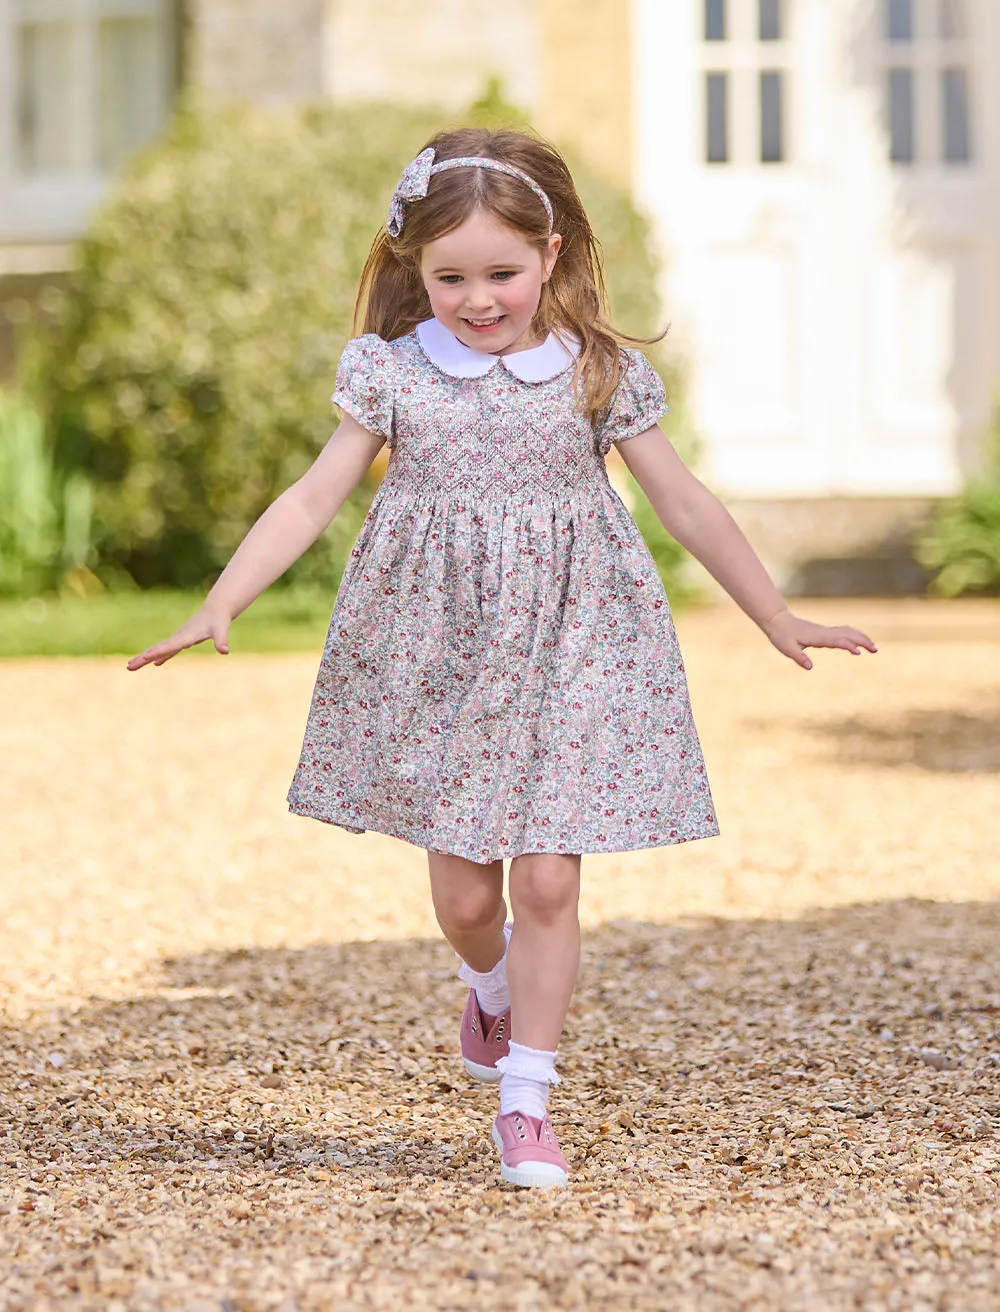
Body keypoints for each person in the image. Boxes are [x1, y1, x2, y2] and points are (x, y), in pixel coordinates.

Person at [128, 128, 877, 1189]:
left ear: (552, 255)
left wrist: (773, 613)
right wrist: (221, 600)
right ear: (411, 271)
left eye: (503, 274)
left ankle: (526, 1096)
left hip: (577, 636)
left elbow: (682, 499)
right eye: (450, 277)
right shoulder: (389, 374)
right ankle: (486, 988)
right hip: (440, 649)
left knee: (548, 878)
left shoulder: (599, 371)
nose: (479, 300)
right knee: (472, 897)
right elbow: (310, 496)